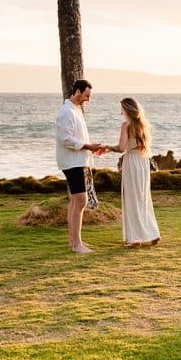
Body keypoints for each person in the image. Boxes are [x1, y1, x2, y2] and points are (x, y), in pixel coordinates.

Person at [97, 98, 160, 248]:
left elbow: (121, 147)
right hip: (143, 162)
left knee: (131, 199)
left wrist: (106, 147)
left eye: (121, 109)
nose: (120, 112)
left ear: (127, 109)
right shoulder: (142, 125)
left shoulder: (126, 125)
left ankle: (135, 238)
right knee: (143, 198)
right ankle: (153, 233)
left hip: (132, 162)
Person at [56, 79, 104, 254]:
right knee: (81, 201)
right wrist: (88, 147)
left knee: (76, 201)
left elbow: (79, 138)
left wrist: (92, 149)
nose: (87, 100)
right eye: (86, 95)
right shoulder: (66, 112)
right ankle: (77, 245)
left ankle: (74, 241)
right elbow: (66, 139)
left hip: (80, 161)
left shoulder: (76, 111)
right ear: (77, 91)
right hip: (72, 163)